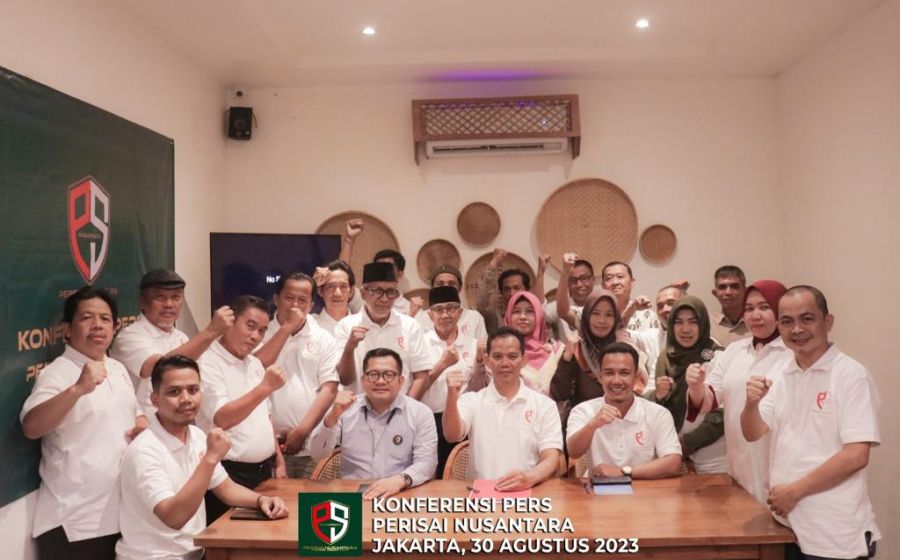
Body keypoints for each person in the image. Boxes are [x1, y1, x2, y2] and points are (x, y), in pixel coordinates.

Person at [741, 286, 880, 560]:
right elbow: (752, 432)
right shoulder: (780, 371)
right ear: (779, 326)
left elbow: (856, 455)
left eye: (807, 319)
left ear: (828, 321)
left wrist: (794, 492)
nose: (797, 329)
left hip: (834, 535)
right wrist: (751, 404)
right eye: (787, 321)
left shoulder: (851, 375)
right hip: (787, 524)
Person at [116, 356, 288, 560]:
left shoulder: (196, 435)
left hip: (195, 552)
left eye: (193, 390)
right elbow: (173, 517)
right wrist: (211, 458)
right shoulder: (144, 451)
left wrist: (261, 500)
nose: (186, 399)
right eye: (174, 392)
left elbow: (226, 488)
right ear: (155, 399)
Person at [20, 286, 146, 560]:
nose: (97, 325)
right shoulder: (57, 373)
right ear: (67, 329)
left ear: (114, 328)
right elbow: (32, 427)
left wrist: (143, 430)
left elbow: (134, 414)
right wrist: (78, 389)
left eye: (105, 319)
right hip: (74, 524)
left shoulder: (117, 368)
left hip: (120, 516)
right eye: (87, 318)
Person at [689, 280, 793, 505]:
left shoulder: (793, 354)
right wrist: (696, 387)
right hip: (739, 463)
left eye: (764, 307)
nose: (756, 315)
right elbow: (709, 399)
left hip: (777, 462)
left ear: (781, 311)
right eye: (749, 308)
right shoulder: (735, 350)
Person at [196, 295, 287, 522]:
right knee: (230, 539)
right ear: (229, 323)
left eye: (262, 331)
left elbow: (265, 416)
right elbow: (222, 418)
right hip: (229, 474)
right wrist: (265, 387)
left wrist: (279, 459)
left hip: (265, 470)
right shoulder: (207, 362)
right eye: (250, 326)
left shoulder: (254, 363)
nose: (255, 336)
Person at [443, 327, 562, 489]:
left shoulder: (544, 405)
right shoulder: (472, 400)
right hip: (481, 495)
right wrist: (451, 395)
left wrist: (529, 478)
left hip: (528, 492)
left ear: (524, 360)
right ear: (487, 360)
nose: (505, 363)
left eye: (512, 356)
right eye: (498, 356)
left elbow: (551, 458)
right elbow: (451, 435)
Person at [309, 348, 437, 499]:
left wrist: (400, 480)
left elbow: (427, 463)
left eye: (389, 374)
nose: (380, 381)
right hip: (353, 494)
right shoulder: (345, 409)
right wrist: (332, 417)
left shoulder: (421, 413)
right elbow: (317, 454)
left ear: (401, 381)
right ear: (363, 380)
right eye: (373, 374)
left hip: (401, 493)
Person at [111, 268, 235, 415]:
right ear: (142, 302)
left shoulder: (181, 337)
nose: (169, 304)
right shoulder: (129, 335)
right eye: (160, 297)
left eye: (176, 297)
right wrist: (210, 332)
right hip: (141, 425)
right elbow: (160, 367)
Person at [255, 272, 340, 478]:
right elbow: (254, 368)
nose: (295, 305)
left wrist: (302, 432)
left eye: (302, 300)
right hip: (268, 446)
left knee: (314, 499)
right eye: (289, 298)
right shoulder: (259, 332)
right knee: (273, 498)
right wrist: (287, 328)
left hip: (312, 444)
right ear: (276, 299)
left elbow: (329, 389)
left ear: (311, 305)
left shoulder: (323, 337)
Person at [566, 343, 682, 479]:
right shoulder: (583, 410)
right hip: (599, 488)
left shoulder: (658, 413)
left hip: (645, 488)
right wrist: (593, 424)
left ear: (636, 377)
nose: (616, 380)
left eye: (624, 373)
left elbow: (673, 463)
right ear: (600, 377)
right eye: (609, 373)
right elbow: (573, 452)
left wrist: (623, 472)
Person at [647, 296, 726, 473]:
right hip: (669, 453)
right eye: (678, 322)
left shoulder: (717, 356)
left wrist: (687, 443)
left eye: (693, 322)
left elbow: (724, 410)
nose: (685, 329)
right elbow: (645, 402)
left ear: (703, 323)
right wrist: (656, 395)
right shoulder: (664, 358)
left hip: (712, 459)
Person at [333, 261, 433, 398]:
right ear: (363, 293)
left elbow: (421, 377)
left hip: (400, 408)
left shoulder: (410, 326)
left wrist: (404, 408)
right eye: (377, 291)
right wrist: (350, 347)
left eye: (391, 292)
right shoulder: (346, 325)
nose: (385, 299)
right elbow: (345, 379)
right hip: (358, 408)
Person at [550, 290, 639, 425]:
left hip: (625, 423)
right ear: (586, 315)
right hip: (584, 423)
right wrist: (567, 357)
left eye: (609, 315)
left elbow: (638, 388)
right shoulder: (576, 347)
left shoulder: (624, 346)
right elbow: (559, 393)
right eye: (596, 313)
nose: (602, 320)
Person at [419, 286, 478, 475]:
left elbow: (479, 389)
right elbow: (413, 390)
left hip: (463, 421)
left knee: (461, 476)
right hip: (429, 421)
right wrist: (442, 365)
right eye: (438, 309)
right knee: (429, 477)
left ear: (460, 312)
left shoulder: (474, 345)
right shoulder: (419, 344)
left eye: (451, 308)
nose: (445, 314)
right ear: (430, 315)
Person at [503, 290, 564, 395]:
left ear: (539, 316)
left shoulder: (556, 352)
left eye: (530, 311)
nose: (523, 317)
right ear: (508, 316)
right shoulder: (499, 355)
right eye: (516, 311)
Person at [474, 248, 543, 335]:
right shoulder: (496, 320)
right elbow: (482, 303)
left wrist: (541, 272)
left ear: (527, 290)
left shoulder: (534, 317)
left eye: (516, 288)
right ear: (501, 293)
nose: (511, 293)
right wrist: (493, 263)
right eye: (507, 289)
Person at [414, 264, 487, 340]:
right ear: (432, 287)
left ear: (460, 288)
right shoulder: (421, 318)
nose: (446, 287)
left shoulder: (474, 318)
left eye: (451, 284)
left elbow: (483, 346)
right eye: (440, 284)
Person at [600, 261, 658, 331]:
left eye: (620, 277)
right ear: (603, 286)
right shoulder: (595, 315)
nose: (615, 282)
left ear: (632, 283)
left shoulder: (648, 315)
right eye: (609, 278)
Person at [552, 253, 596, 340]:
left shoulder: (603, 305)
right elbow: (539, 312)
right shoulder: (559, 305)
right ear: (567, 283)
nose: (579, 285)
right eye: (573, 280)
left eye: (584, 278)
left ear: (593, 279)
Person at [312, 260, 360, 335]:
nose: (337, 293)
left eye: (343, 286)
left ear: (351, 291)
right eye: (330, 287)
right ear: (320, 291)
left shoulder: (363, 325)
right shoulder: (310, 324)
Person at [709, 265, 750, 346]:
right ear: (715, 293)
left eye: (734, 286)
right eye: (722, 287)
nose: (728, 292)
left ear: (745, 291)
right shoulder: (707, 323)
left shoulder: (756, 323)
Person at [374, 249, 418, 316]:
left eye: (387, 269)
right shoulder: (364, 299)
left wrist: (411, 315)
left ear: (400, 275)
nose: (382, 273)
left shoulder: (410, 309)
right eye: (378, 269)